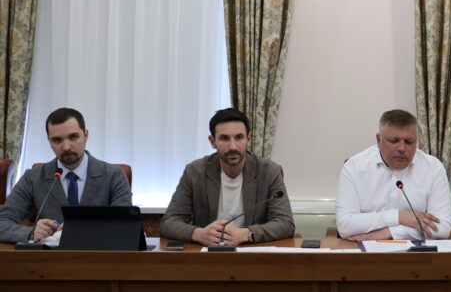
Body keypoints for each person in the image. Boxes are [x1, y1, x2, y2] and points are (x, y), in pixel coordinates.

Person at [160, 108, 294, 246]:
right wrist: (199, 234)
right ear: (212, 141)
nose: (233, 146)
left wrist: (247, 234)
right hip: (208, 253)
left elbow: (285, 223)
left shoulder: (269, 172)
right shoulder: (194, 172)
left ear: (248, 139)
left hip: (251, 251)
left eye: (239, 137)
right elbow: (169, 222)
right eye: (224, 138)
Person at [0, 107, 132, 243]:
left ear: (86, 135)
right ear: (49, 141)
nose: (66, 147)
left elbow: (125, 226)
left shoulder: (114, 175)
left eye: (73, 137)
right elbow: (2, 222)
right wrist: (31, 233)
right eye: (57, 140)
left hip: (98, 253)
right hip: (51, 256)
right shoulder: (33, 178)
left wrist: (83, 230)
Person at [336, 109, 451, 241]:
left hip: (417, 252)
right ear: (378, 139)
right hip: (365, 250)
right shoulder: (354, 167)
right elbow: (345, 225)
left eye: (409, 142)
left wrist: (391, 232)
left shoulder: (433, 168)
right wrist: (399, 217)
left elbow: (443, 227)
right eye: (394, 141)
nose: (402, 148)